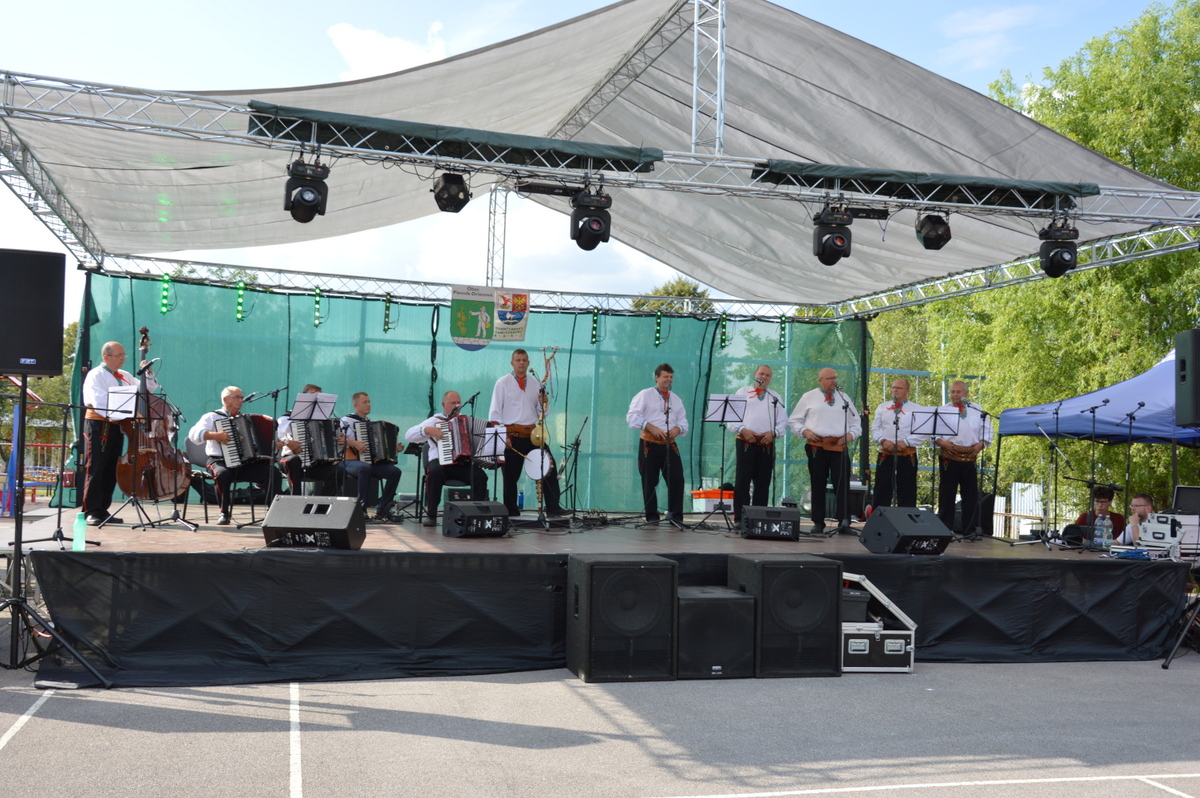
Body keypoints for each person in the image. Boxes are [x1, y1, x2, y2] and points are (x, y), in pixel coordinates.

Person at [79, 341, 158, 526]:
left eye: (124, 355)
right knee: (96, 467)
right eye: (119, 355)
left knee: (110, 469)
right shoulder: (96, 375)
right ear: (106, 357)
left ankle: (102, 509)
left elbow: (147, 389)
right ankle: (90, 510)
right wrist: (131, 412)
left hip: (118, 425)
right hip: (99, 424)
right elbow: (99, 401)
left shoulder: (124, 375)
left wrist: (148, 373)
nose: (123, 358)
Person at [187, 386, 282, 525]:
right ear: (226, 399)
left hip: (245, 464)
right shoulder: (212, 416)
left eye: (241, 397)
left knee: (272, 472)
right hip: (219, 461)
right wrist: (215, 435)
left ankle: (273, 512)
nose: (241, 400)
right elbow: (193, 435)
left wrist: (275, 444)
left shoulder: (246, 419)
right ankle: (224, 513)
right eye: (237, 397)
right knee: (222, 474)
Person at [488, 349, 565, 517]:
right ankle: (511, 511)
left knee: (548, 466)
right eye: (518, 360)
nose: (521, 363)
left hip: (533, 434)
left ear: (528, 363)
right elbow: (495, 412)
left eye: (524, 360)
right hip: (512, 434)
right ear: (512, 363)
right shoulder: (503, 382)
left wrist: (544, 404)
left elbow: (542, 412)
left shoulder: (535, 383)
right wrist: (503, 436)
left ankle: (553, 508)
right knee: (511, 476)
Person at [788, 367, 860, 534]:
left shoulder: (844, 398)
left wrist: (851, 435)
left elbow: (856, 422)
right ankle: (818, 522)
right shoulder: (809, 397)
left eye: (835, 377)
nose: (833, 380)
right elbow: (794, 420)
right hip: (817, 446)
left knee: (842, 484)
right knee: (818, 483)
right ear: (820, 380)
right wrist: (805, 431)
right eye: (829, 378)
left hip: (839, 445)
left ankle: (844, 521)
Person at [406, 390, 490, 526]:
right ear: (443, 405)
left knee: (480, 476)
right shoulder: (435, 420)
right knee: (435, 472)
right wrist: (427, 430)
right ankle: (431, 515)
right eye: (452, 403)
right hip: (440, 463)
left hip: (462, 464)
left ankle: (477, 515)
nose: (456, 406)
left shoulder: (466, 420)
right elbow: (409, 435)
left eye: (458, 403)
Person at [627, 363, 688, 525]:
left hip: (670, 444)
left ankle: (676, 515)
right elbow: (632, 416)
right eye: (665, 376)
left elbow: (683, 421)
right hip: (649, 443)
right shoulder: (645, 394)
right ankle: (652, 517)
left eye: (671, 377)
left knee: (677, 479)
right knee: (649, 480)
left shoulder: (676, 399)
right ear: (657, 377)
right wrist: (650, 426)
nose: (669, 379)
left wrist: (678, 428)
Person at [932, 381, 993, 534]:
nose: (955, 395)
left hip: (970, 456)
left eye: (958, 392)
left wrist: (981, 444)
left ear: (966, 393)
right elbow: (933, 433)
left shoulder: (977, 410)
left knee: (970, 495)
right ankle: (944, 529)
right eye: (952, 392)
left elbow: (987, 430)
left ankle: (969, 530)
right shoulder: (942, 410)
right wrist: (942, 442)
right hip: (949, 456)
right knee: (947, 494)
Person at [730, 365, 785, 523]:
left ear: (770, 379)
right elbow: (731, 418)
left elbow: (783, 421)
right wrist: (743, 430)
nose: (764, 377)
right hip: (745, 441)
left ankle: (758, 518)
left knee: (763, 482)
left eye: (768, 375)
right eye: (761, 373)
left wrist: (773, 432)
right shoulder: (742, 392)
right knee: (742, 481)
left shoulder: (775, 397)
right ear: (755, 375)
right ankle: (740, 519)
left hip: (766, 444)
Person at [340, 391, 403, 520]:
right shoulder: (345, 421)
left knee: (395, 472)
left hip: (367, 462)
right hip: (349, 461)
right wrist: (355, 443)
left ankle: (382, 509)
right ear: (356, 405)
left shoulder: (369, 423)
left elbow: (376, 446)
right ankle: (361, 509)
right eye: (365, 402)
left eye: (369, 402)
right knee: (364, 468)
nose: (368, 404)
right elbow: (338, 441)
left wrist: (394, 448)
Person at [278, 384, 345, 496]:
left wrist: (338, 441)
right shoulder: (286, 418)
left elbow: (333, 440)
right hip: (290, 461)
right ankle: (296, 501)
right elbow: (278, 436)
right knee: (294, 460)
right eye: (312, 395)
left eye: (318, 396)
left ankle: (321, 504)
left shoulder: (324, 421)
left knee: (340, 472)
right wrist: (287, 442)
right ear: (303, 397)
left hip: (315, 465)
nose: (315, 399)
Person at [871, 378, 925, 509]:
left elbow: (922, 432)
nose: (895, 390)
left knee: (907, 490)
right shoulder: (883, 407)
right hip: (886, 453)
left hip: (907, 454)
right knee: (882, 488)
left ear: (907, 390)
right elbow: (875, 429)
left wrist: (906, 442)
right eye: (893, 387)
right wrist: (883, 440)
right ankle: (880, 518)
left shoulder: (916, 409)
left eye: (899, 388)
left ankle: (905, 519)